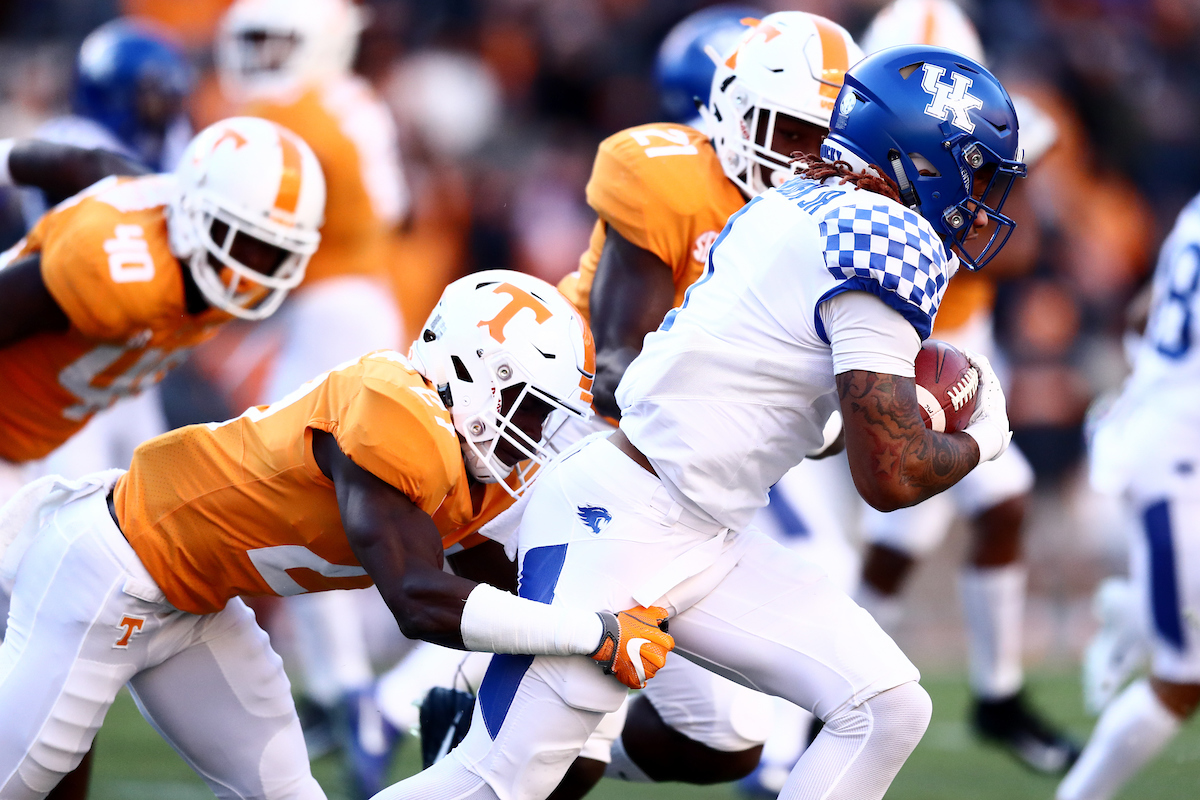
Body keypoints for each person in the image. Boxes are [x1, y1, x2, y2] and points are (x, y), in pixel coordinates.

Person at [374, 43, 1026, 800]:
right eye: (975, 168)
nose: (981, 194)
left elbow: (766, 377)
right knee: (494, 782)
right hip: (623, 521)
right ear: (920, 151)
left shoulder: (795, 199)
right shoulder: (890, 238)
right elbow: (891, 475)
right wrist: (981, 436)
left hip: (702, 527)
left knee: (885, 706)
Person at [0, 269, 673, 800]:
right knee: (16, 779)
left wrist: (604, 612)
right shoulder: (391, 407)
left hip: (197, 607)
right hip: (110, 573)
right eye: (527, 405)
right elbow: (419, 599)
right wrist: (596, 634)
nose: (533, 434)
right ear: (475, 378)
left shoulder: (464, 461)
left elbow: (503, 583)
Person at [848, 0, 1080, 774]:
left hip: (960, 337)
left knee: (992, 502)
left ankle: (996, 694)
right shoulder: (844, 140)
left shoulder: (1006, 128)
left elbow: (1023, 248)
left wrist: (949, 230)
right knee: (900, 526)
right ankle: (838, 691)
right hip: (880, 332)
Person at [215, 1, 413, 775]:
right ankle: (340, 687)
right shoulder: (351, 101)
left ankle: (350, 690)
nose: (262, 58)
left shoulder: (294, 113)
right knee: (319, 501)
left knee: (304, 501)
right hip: (356, 300)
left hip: (331, 310)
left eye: (275, 40)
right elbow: (396, 212)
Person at [1055, 190, 1200, 800]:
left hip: (1162, 439)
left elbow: (1146, 312)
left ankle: (1137, 609)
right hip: (1178, 466)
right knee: (1182, 680)